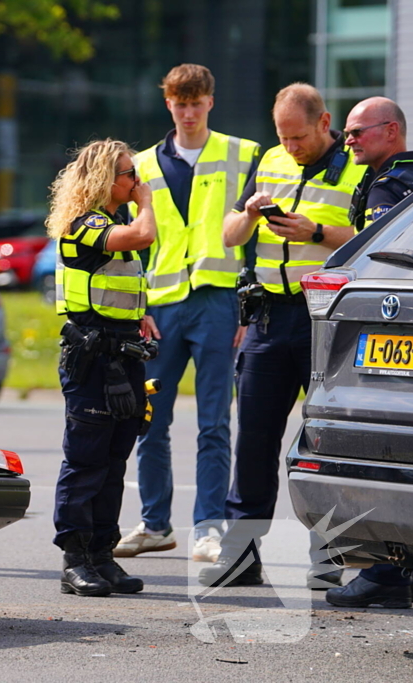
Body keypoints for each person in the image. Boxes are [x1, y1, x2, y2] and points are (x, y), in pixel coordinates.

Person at [199, 83, 366, 588]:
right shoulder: (270, 160)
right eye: (283, 137)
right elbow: (229, 234)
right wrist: (251, 214)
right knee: (253, 439)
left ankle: (329, 557)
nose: (290, 147)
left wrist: (316, 233)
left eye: (299, 137)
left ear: (324, 123)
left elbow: (372, 239)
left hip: (328, 322)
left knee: (326, 441)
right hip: (269, 318)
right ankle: (240, 553)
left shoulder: (357, 167)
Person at [115, 64, 260, 564]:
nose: (189, 113)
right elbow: (131, 246)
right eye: (181, 104)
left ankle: (209, 529)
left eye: (197, 103)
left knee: (214, 422)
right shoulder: (141, 165)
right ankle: (155, 524)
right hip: (159, 306)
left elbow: (254, 234)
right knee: (150, 420)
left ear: (211, 102)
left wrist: (246, 304)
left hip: (218, 302)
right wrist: (137, 307)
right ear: (168, 104)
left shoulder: (243, 154)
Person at [48, 139, 157, 597]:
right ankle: (75, 561)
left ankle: (102, 555)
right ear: (104, 180)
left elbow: (115, 285)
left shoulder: (115, 222)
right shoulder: (85, 223)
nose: (136, 181)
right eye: (129, 174)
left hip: (123, 355)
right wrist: (148, 202)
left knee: (114, 462)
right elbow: (144, 236)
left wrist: (142, 315)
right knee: (86, 461)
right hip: (92, 359)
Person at [325, 96, 413, 609]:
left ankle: (387, 570)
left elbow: (385, 266)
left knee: (385, 452)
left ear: (391, 131)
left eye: (358, 131)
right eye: (347, 132)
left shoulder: (394, 185)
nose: (349, 140)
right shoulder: (394, 179)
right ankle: (390, 570)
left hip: (393, 328)